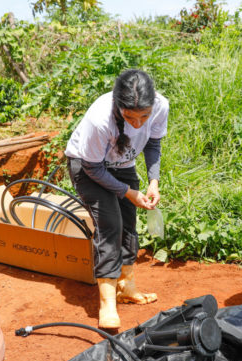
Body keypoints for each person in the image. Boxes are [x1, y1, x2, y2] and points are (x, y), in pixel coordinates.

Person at [64, 69, 168, 329]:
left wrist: (153, 180)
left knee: (128, 223)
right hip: (88, 167)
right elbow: (93, 168)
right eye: (130, 117)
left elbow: (153, 144)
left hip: (121, 164)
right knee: (110, 225)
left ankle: (127, 287)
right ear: (119, 106)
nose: (138, 123)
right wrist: (128, 192)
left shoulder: (161, 106)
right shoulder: (100, 119)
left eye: (144, 116)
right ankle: (107, 303)